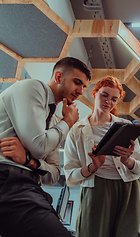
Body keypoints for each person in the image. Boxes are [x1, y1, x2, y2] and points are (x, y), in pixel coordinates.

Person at [0, 57, 91, 237]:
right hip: (6, 179)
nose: (80, 91)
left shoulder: (54, 122)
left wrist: (30, 161)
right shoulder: (32, 87)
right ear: (58, 77)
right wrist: (68, 121)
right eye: (77, 82)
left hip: (30, 185)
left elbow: (54, 174)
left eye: (84, 87)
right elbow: (39, 147)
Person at [63, 76, 140, 237]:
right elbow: (70, 176)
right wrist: (92, 167)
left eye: (114, 99)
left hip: (128, 189)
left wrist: (127, 160)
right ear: (94, 94)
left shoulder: (127, 127)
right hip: (96, 189)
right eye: (104, 95)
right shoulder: (77, 130)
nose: (108, 101)